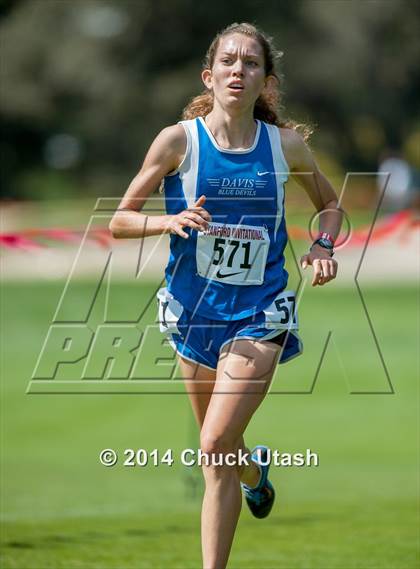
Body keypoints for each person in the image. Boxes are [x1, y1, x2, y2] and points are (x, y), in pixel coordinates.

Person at [110, 22, 342, 569]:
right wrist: (167, 222)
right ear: (208, 75)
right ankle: (256, 473)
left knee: (213, 443)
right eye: (229, 62)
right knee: (221, 457)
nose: (239, 70)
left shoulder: (284, 145)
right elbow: (120, 220)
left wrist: (323, 245)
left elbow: (329, 206)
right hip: (193, 313)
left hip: (260, 312)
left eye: (252, 63)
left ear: (266, 80)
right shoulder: (177, 141)